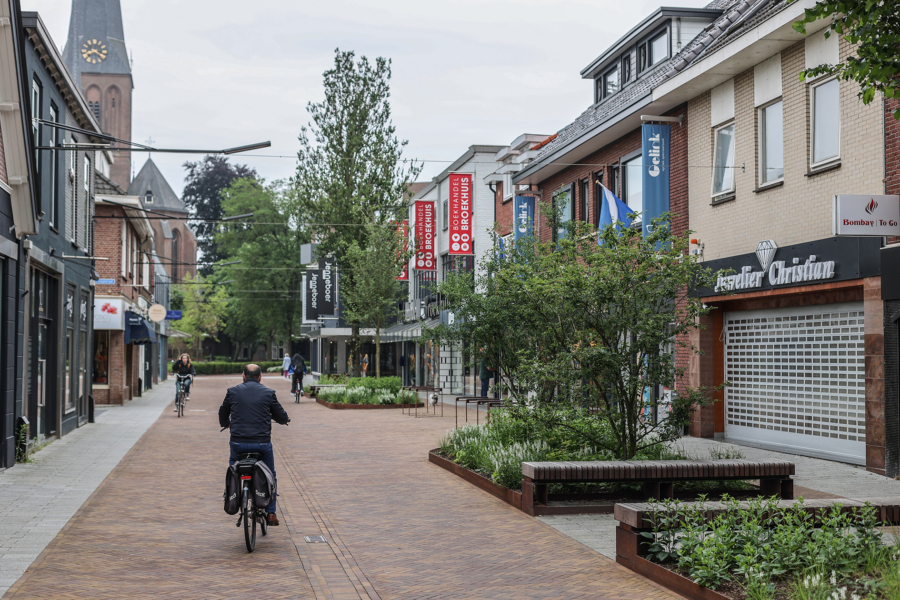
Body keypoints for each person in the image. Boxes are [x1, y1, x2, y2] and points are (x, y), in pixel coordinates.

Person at [219, 364, 290, 526]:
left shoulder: (232, 392)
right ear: (260, 377)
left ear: (243, 376)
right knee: (270, 473)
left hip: (238, 443)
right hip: (262, 444)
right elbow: (280, 415)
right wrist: (284, 420)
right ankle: (271, 513)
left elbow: (223, 412)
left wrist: (225, 423)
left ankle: (233, 494)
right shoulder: (268, 393)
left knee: (233, 469)